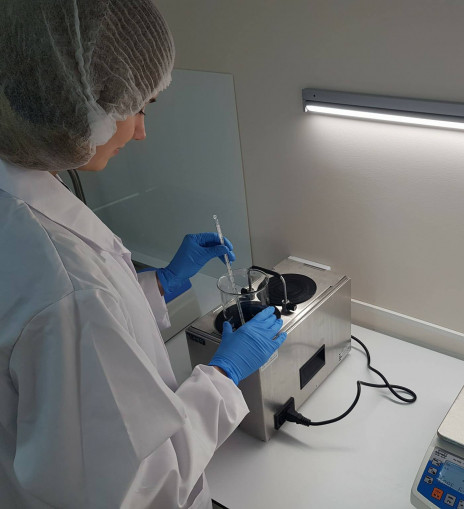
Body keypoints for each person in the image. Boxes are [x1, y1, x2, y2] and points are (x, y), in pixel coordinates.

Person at [0, 1, 286, 507]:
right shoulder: (68, 286)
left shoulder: (21, 188)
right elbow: (143, 489)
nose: (140, 131)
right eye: (136, 107)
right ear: (71, 101)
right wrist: (223, 377)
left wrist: (159, 285)